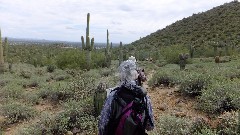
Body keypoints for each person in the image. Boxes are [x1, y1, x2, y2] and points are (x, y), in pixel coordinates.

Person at [98, 59, 154, 135]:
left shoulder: (113, 95)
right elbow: (150, 126)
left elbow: (102, 124)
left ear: (121, 75)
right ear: (136, 75)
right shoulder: (144, 97)